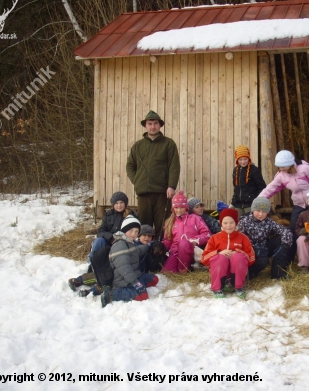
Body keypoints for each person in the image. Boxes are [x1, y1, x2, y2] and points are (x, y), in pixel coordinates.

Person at [126, 110, 180, 240]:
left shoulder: (168, 144)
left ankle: (162, 252)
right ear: (145, 125)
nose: (152, 126)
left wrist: (171, 186)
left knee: (163, 225)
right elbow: (130, 166)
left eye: (155, 123)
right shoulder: (138, 146)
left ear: (160, 125)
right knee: (145, 226)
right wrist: (137, 181)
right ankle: (145, 252)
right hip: (143, 194)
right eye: (150, 123)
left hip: (162, 193)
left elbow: (174, 166)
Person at [68, 191, 136, 293]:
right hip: (109, 242)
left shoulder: (130, 215)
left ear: (125, 203)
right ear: (113, 204)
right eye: (116, 203)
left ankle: (91, 281)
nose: (119, 205)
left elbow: (133, 231)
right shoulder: (108, 215)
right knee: (99, 241)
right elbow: (100, 231)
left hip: (123, 243)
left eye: (121, 203)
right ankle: (92, 263)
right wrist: (111, 237)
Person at [258, 150, 309, 235]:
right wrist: (259, 199)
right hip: (298, 204)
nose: (281, 169)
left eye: (283, 166)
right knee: (294, 226)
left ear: (290, 164)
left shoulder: (304, 168)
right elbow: (271, 188)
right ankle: (295, 247)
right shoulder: (281, 175)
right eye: (279, 166)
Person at [101, 216, 160, 307]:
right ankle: (111, 294)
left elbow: (137, 251)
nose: (134, 234)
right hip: (123, 279)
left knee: (154, 279)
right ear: (124, 230)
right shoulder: (120, 244)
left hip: (133, 274)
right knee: (143, 296)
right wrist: (135, 283)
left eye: (136, 231)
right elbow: (124, 268)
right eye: (131, 230)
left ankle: (139, 285)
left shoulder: (129, 242)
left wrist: (148, 246)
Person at [200, 208, 255, 299]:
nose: (228, 226)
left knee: (238, 257)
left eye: (231, 222)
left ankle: (238, 287)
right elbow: (203, 259)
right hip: (220, 272)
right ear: (221, 223)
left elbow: (252, 258)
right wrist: (218, 253)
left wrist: (238, 253)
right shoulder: (214, 238)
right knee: (220, 258)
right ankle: (217, 288)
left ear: (236, 223)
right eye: (225, 223)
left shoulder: (243, 238)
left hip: (237, 273)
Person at [237, 197, 293, 280]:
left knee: (282, 239)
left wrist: (284, 245)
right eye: (258, 211)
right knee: (263, 262)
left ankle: (277, 272)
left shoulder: (268, 222)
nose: (260, 214)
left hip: (264, 248)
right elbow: (239, 240)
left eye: (264, 211)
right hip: (249, 251)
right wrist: (253, 249)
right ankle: (249, 273)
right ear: (253, 210)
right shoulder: (244, 222)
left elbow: (284, 231)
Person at [161, 190, 211, 273]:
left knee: (184, 243)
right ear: (173, 208)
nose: (179, 210)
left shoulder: (195, 218)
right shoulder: (170, 221)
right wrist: (161, 245)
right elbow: (168, 240)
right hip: (175, 252)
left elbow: (207, 234)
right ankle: (180, 268)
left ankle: (183, 270)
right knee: (167, 272)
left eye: (181, 207)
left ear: (186, 208)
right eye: (176, 207)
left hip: (191, 250)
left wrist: (196, 240)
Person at [231, 145, 267, 217]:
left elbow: (262, 186)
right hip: (238, 204)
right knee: (239, 223)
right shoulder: (236, 170)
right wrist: (233, 203)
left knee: (250, 223)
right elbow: (236, 188)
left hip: (250, 204)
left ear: (249, 159)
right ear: (237, 160)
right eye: (240, 159)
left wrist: (257, 201)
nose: (243, 162)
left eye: (245, 159)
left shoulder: (254, 170)